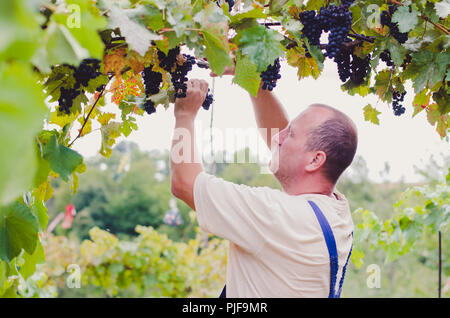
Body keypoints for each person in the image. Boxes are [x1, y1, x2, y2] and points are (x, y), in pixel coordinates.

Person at [170, 67, 358, 298]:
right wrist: (253, 81)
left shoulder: (276, 215)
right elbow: (284, 142)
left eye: (290, 134)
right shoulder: (335, 210)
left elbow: (184, 183)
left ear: (316, 160)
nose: (277, 136)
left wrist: (185, 117)